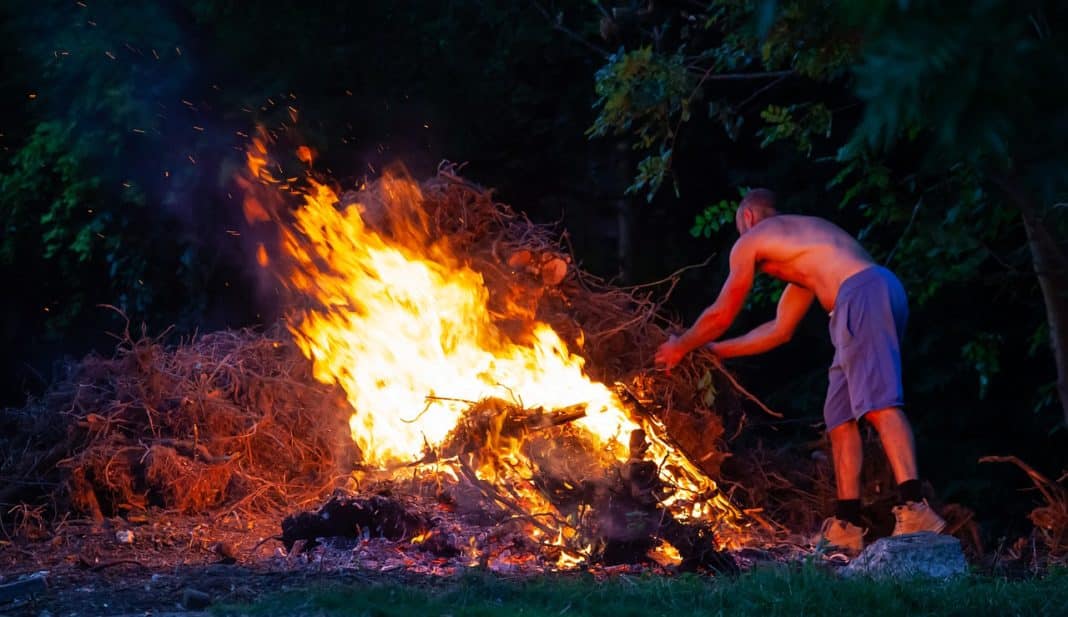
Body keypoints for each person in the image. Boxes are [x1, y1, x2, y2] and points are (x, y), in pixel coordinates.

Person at [654, 188, 945, 553]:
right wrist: (715, 351)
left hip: (863, 294)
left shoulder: (753, 239)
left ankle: (915, 506)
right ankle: (847, 525)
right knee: (839, 418)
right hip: (856, 303)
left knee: (878, 403)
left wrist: (680, 345)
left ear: (748, 217)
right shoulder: (806, 258)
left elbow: (722, 312)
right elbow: (779, 330)